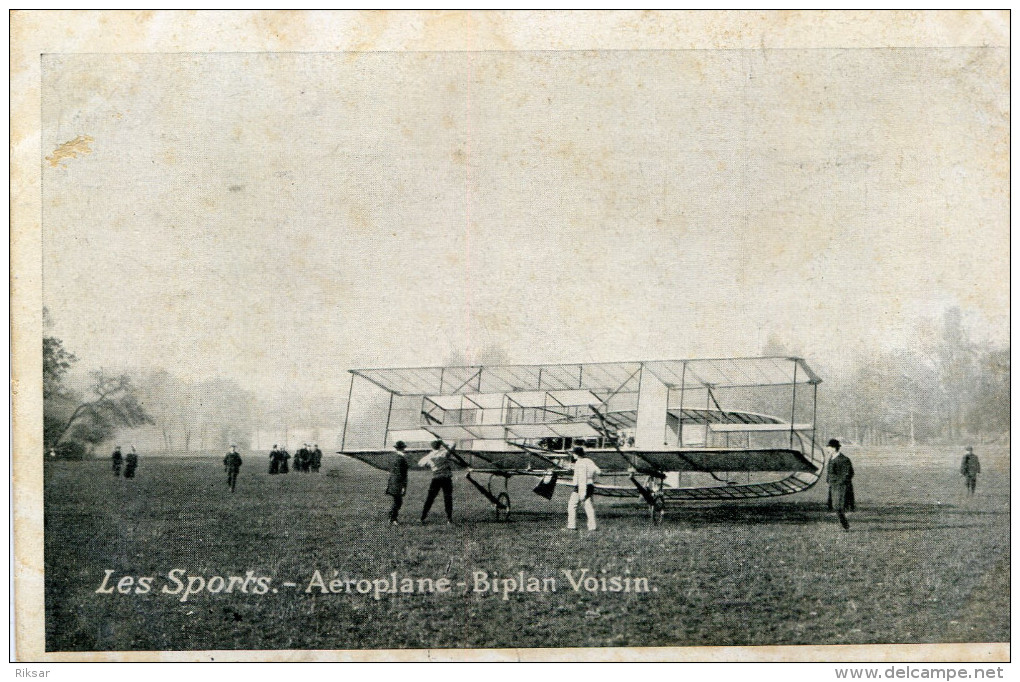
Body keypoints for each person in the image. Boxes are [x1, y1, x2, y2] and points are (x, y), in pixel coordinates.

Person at [566, 446, 601, 531]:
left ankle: (571, 525)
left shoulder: (579, 463)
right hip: (590, 485)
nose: (573, 455)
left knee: (572, 505)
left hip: (581, 486)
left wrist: (582, 493)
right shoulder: (589, 461)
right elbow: (599, 471)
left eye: (573, 453)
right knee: (589, 506)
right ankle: (592, 527)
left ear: (577, 454)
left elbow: (582, 478)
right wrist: (592, 478)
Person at [419, 439, 454, 524]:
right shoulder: (445, 453)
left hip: (436, 478)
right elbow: (453, 443)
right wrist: (442, 441)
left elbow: (420, 463)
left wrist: (430, 465)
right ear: (440, 445)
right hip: (446, 479)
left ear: (432, 446)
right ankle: (449, 519)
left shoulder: (429, 456)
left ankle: (423, 517)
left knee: (430, 498)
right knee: (448, 498)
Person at [825, 439, 854, 531]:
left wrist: (840, 482)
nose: (827, 449)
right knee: (835, 506)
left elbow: (849, 473)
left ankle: (845, 526)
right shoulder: (832, 458)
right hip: (833, 485)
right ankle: (845, 525)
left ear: (834, 448)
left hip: (841, 486)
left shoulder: (844, 459)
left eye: (828, 447)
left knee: (838, 506)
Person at [386, 441, 410, 525]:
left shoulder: (393, 457)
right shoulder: (401, 458)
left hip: (392, 481)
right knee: (398, 502)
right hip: (398, 482)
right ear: (403, 448)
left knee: (397, 501)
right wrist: (403, 486)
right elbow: (401, 473)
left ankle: (392, 518)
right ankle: (392, 518)